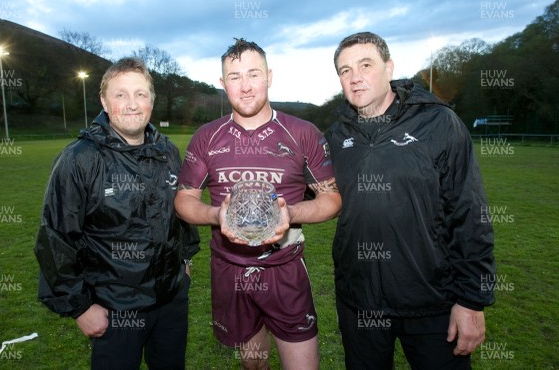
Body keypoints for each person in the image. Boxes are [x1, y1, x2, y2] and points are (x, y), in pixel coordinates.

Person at [324, 31, 497, 369]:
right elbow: (308, 193)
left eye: (365, 65)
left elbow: (470, 214)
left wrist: (472, 302)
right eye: (345, 70)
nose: (355, 77)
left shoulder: (439, 123)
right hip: (360, 302)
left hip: (434, 303)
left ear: (389, 67)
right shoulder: (335, 135)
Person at [174, 38, 341, 370]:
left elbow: (331, 198)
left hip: (285, 271)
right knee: (254, 365)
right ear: (222, 84)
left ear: (270, 76)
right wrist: (214, 214)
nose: (245, 86)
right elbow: (184, 199)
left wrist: (291, 212)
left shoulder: (302, 133)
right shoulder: (206, 137)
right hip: (230, 271)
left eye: (253, 74)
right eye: (234, 77)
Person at [34, 57, 199, 370]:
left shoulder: (167, 151)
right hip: (115, 309)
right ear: (104, 102)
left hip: (170, 301)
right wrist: (81, 307)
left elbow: (181, 211)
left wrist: (186, 260)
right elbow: (55, 236)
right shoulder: (80, 159)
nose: (132, 104)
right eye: (121, 94)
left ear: (151, 100)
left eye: (140, 94)